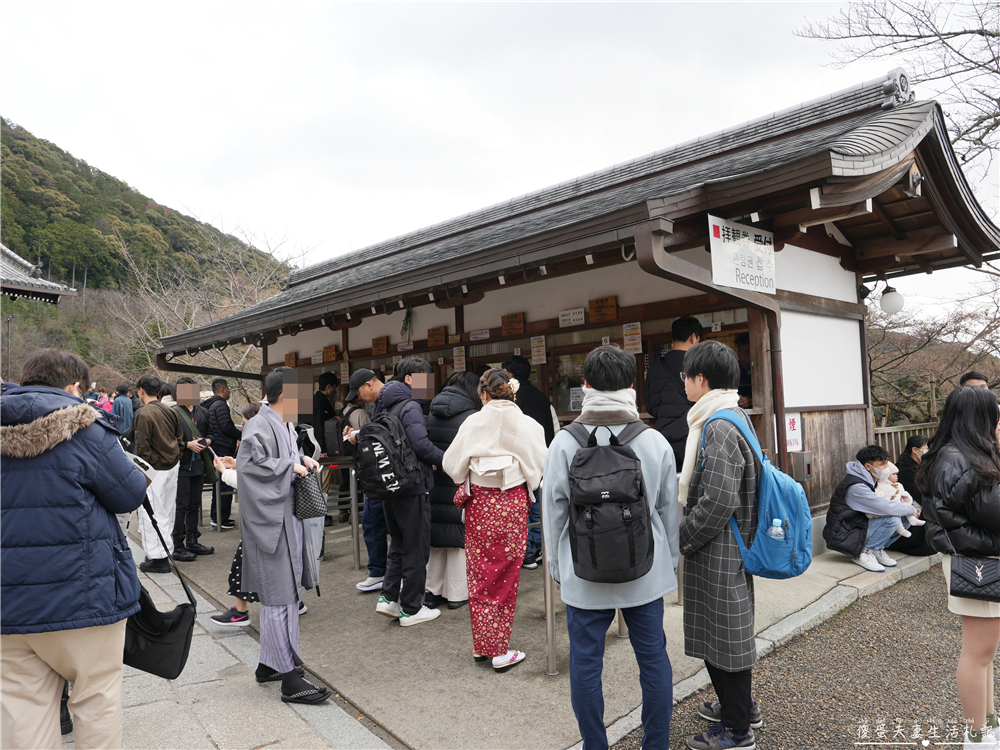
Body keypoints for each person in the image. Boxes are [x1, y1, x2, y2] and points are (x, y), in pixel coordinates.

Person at [1, 349, 147, 750]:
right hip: (83, 595)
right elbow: (130, 493)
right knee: (95, 699)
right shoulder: (87, 429)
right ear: (75, 387)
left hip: (7, 603)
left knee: (21, 713)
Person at [542, 345, 679, 749]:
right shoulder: (653, 441)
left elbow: (553, 512)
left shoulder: (564, 443)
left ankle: (594, 745)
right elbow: (669, 511)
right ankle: (655, 744)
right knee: (653, 658)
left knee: (585, 663)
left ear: (585, 385)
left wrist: (557, 566)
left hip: (584, 572)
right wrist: (667, 563)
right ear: (632, 385)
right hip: (645, 569)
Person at [678, 340, 760, 750]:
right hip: (730, 542)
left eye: (686, 376)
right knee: (726, 632)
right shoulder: (734, 414)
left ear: (701, 380)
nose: (684, 384)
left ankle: (737, 730)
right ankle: (740, 708)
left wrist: (684, 536)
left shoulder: (719, 425)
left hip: (719, 547)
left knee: (726, 637)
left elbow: (718, 499)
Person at [443, 368, 546, 671]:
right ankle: (499, 650)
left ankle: (482, 645)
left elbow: (452, 464)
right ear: (513, 394)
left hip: (480, 505)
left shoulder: (473, 422)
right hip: (511, 502)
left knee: (480, 573)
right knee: (507, 572)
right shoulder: (527, 424)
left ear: (484, 394)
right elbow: (539, 465)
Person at [237, 367, 329, 703]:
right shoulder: (258, 424)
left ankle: (269, 665)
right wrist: (288, 467)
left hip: (283, 518)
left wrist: (299, 457)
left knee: (288, 594)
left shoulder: (283, 423)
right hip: (270, 522)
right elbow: (249, 469)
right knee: (279, 597)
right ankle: (289, 680)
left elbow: (278, 458)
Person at [917, 386, 1000, 746]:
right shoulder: (963, 458)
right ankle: (977, 735)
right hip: (977, 561)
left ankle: (989, 721)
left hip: (973, 557)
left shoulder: (953, 453)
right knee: (978, 652)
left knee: (985, 651)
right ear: (982, 417)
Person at [349, 357, 445, 626]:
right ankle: (412, 609)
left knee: (399, 544)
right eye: (424, 379)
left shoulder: (383, 403)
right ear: (410, 379)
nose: (428, 385)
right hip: (412, 486)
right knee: (416, 546)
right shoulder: (410, 405)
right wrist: (448, 460)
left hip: (390, 485)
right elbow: (422, 446)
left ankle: (389, 599)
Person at [424, 370, 480, 610]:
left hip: (434, 482)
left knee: (436, 537)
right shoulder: (474, 416)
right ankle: (457, 594)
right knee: (459, 537)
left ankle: (432, 591)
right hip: (460, 483)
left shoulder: (430, 413)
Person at [503, 354, 560, 570]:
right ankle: (538, 549)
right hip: (542, 460)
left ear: (511, 374)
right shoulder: (542, 397)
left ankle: (526, 553)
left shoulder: (510, 399)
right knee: (537, 506)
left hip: (518, 462)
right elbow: (555, 430)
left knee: (522, 507)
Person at [823, 444, 917, 573]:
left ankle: (876, 549)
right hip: (843, 534)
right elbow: (884, 507)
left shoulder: (872, 479)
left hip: (856, 526)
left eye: (886, 463)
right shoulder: (856, 486)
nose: (886, 468)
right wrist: (911, 509)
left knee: (904, 518)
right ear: (868, 466)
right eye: (882, 464)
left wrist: (910, 509)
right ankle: (864, 553)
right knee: (892, 520)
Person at [133, 374, 184, 574]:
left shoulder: (144, 414)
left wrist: (140, 472)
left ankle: (157, 556)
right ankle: (165, 551)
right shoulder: (171, 411)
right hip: (172, 466)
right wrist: (176, 457)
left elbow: (142, 447)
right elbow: (180, 440)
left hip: (153, 469)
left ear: (141, 391)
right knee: (167, 510)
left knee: (151, 513)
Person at [342, 369, 387, 593]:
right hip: (381, 473)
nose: (360, 398)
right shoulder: (384, 400)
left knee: (375, 521)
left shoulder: (389, 399)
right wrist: (358, 432)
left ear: (369, 385)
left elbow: (385, 430)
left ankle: (381, 572)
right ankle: (379, 571)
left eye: (359, 392)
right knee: (373, 520)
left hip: (387, 473)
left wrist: (359, 435)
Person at [644, 315, 703, 470]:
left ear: (672, 338)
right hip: (693, 437)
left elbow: (650, 406)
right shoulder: (700, 366)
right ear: (693, 337)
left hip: (663, 440)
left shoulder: (655, 368)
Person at [169, 377, 216, 562]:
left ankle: (192, 540)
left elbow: (212, 434)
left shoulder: (203, 411)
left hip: (198, 464)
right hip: (181, 465)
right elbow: (168, 440)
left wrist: (206, 442)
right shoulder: (173, 413)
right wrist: (187, 444)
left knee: (195, 504)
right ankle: (178, 545)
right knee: (181, 505)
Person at [201, 378, 242, 530]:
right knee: (225, 485)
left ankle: (217, 516)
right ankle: (221, 518)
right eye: (228, 389)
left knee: (219, 485)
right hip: (223, 447)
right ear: (224, 389)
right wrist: (240, 434)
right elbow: (226, 426)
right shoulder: (221, 405)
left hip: (214, 448)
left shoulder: (210, 405)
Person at [888, 435, 936, 556]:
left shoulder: (919, 464)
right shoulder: (905, 468)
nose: (928, 451)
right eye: (926, 448)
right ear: (915, 450)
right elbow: (917, 494)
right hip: (904, 504)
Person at [872, 462, 924, 538]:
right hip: (890, 511)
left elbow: (904, 495)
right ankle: (901, 530)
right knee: (895, 519)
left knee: (908, 513)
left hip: (901, 505)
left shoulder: (898, 485)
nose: (896, 476)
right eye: (894, 474)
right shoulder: (881, 487)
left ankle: (912, 519)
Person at [734, 332, 753, 409]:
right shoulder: (735, 368)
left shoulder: (762, 368)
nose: (743, 358)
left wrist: (751, 401)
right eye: (740, 353)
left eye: (747, 353)